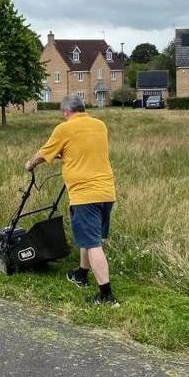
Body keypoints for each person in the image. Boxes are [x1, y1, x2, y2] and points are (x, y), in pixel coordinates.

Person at [24, 95, 118, 306]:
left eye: (62, 114)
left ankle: (106, 295)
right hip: (106, 192)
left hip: (85, 195)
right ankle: (81, 275)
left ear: (66, 112)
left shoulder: (64, 129)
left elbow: (43, 153)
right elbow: (84, 149)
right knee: (90, 238)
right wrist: (65, 154)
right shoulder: (99, 125)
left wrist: (30, 164)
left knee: (93, 244)